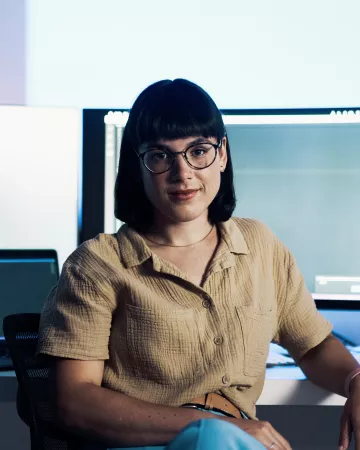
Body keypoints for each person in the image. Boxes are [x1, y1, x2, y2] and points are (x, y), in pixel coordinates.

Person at [37, 79, 360, 450]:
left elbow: (313, 345)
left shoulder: (260, 246)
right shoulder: (97, 265)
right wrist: (214, 426)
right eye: (160, 156)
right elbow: (74, 402)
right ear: (137, 165)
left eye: (199, 150)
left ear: (222, 154)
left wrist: (356, 379)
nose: (182, 172)